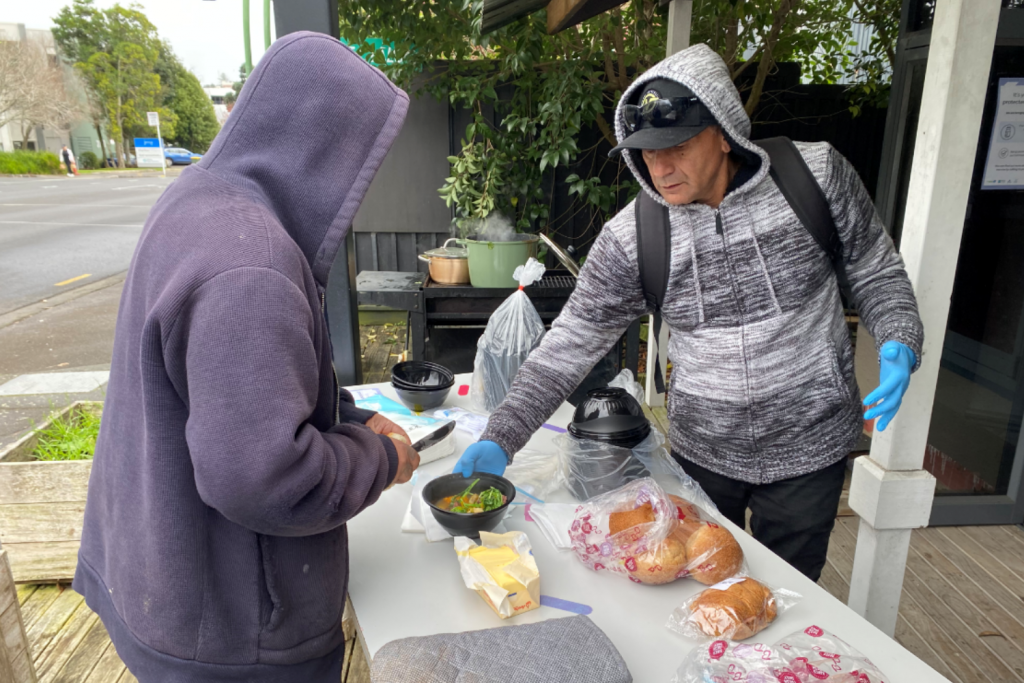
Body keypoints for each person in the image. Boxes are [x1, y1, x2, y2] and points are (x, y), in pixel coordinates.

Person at [455, 43, 923, 582]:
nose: (661, 167)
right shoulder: (634, 236)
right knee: (696, 586)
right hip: (703, 455)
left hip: (809, 449)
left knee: (786, 596)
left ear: (724, 133)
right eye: (647, 153)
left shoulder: (814, 177)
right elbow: (569, 345)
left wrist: (898, 336)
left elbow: (876, 269)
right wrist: (502, 434)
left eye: (675, 145)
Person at [74, 32, 419, 682]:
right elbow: (261, 477)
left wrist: (347, 414)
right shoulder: (252, 264)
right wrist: (382, 457)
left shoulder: (196, 201)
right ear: (322, 146)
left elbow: (231, 385)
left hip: (158, 579)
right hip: (230, 643)